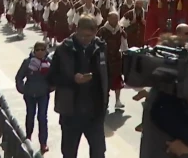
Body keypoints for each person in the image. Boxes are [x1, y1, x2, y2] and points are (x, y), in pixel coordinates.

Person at [48, 14, 109, 158]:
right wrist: (72, 79)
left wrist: (105, 103)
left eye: (89, 36)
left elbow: (107, 76)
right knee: (69, 153)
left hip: (94, 113)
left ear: (95, 33)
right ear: (76, 30)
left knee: (99, 152)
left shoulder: (101, 47)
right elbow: (52, 77)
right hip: (70, 112)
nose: (85, 40)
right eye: (82, 36)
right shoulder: (63, 49)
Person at [15, 41, 52, 153]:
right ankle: (28, 137)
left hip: (43, 94)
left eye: (42, 49)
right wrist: (23, 89)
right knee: (30, 115)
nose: (40, 52)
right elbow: (19, 77)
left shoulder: (50, 63)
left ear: (46, 51)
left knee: (42, 118)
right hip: (30, 94)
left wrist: (50, 88)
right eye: (37, 50)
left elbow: (55, 77)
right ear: (34, 51)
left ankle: (43, 143)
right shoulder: (28, 62)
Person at [97, 11, 128, 110]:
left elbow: (124, 44)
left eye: (116, 18)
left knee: (117, 80)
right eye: (113, 18)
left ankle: (117, 101)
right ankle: (104, 101)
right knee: (104, 80)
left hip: (116, 58)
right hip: (105, 59)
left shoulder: (121, 31)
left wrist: (125, 53)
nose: (115, 21)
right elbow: (96, 44)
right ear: (108, 19)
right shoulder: (102, 30)